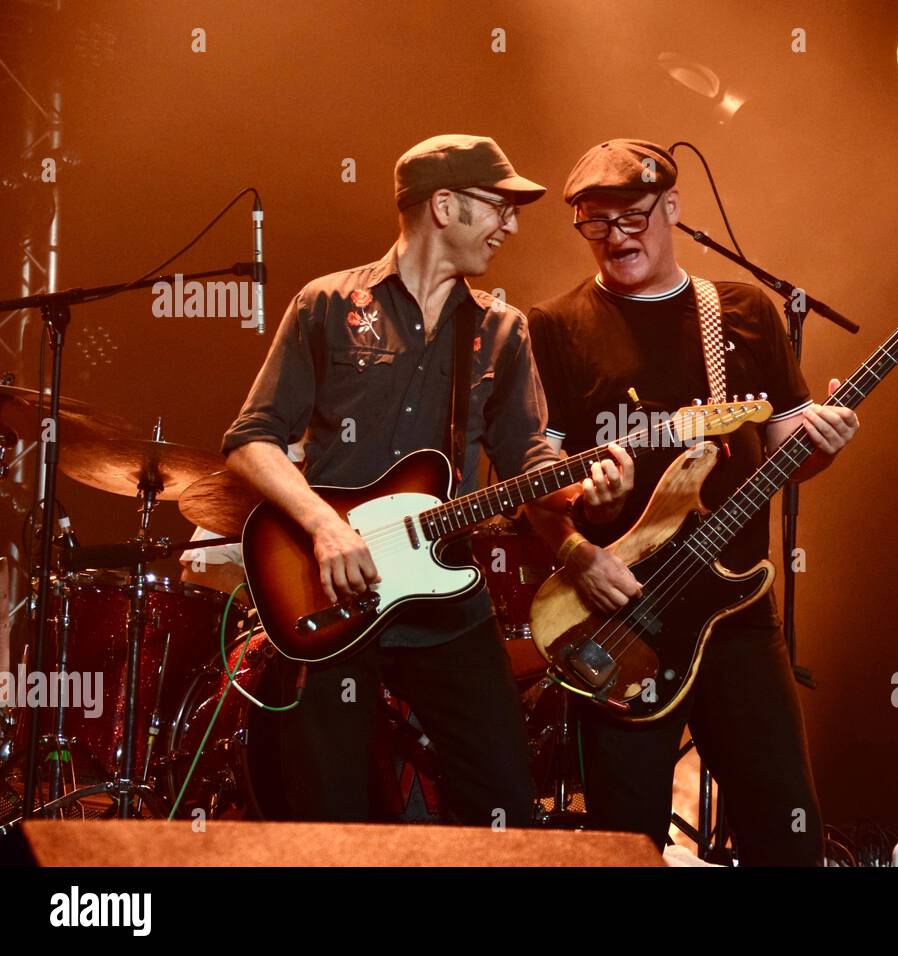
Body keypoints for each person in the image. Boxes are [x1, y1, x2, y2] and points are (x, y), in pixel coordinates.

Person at [221, 134, 632, 824]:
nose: (510, 225)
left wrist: (583, 492)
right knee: (331, 819)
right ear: (444, 205)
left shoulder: (500, 329)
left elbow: (528, 457)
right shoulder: (326, 304)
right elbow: (248, 439)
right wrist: (324, 527)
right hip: (332, 594)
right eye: (498, 206)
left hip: (446, 598)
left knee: (506, 805)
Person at [526, 139, 859, 865]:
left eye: (633, 217)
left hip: (736, 614)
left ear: (672, 208)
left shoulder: (740, 310)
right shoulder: (551, 327)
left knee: (786, 832)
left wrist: (824, 444)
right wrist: (576, 552)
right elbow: (533, 480)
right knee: (625, 847)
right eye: (595, 222)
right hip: (622, 621)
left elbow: (784, 455)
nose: (617, 238)